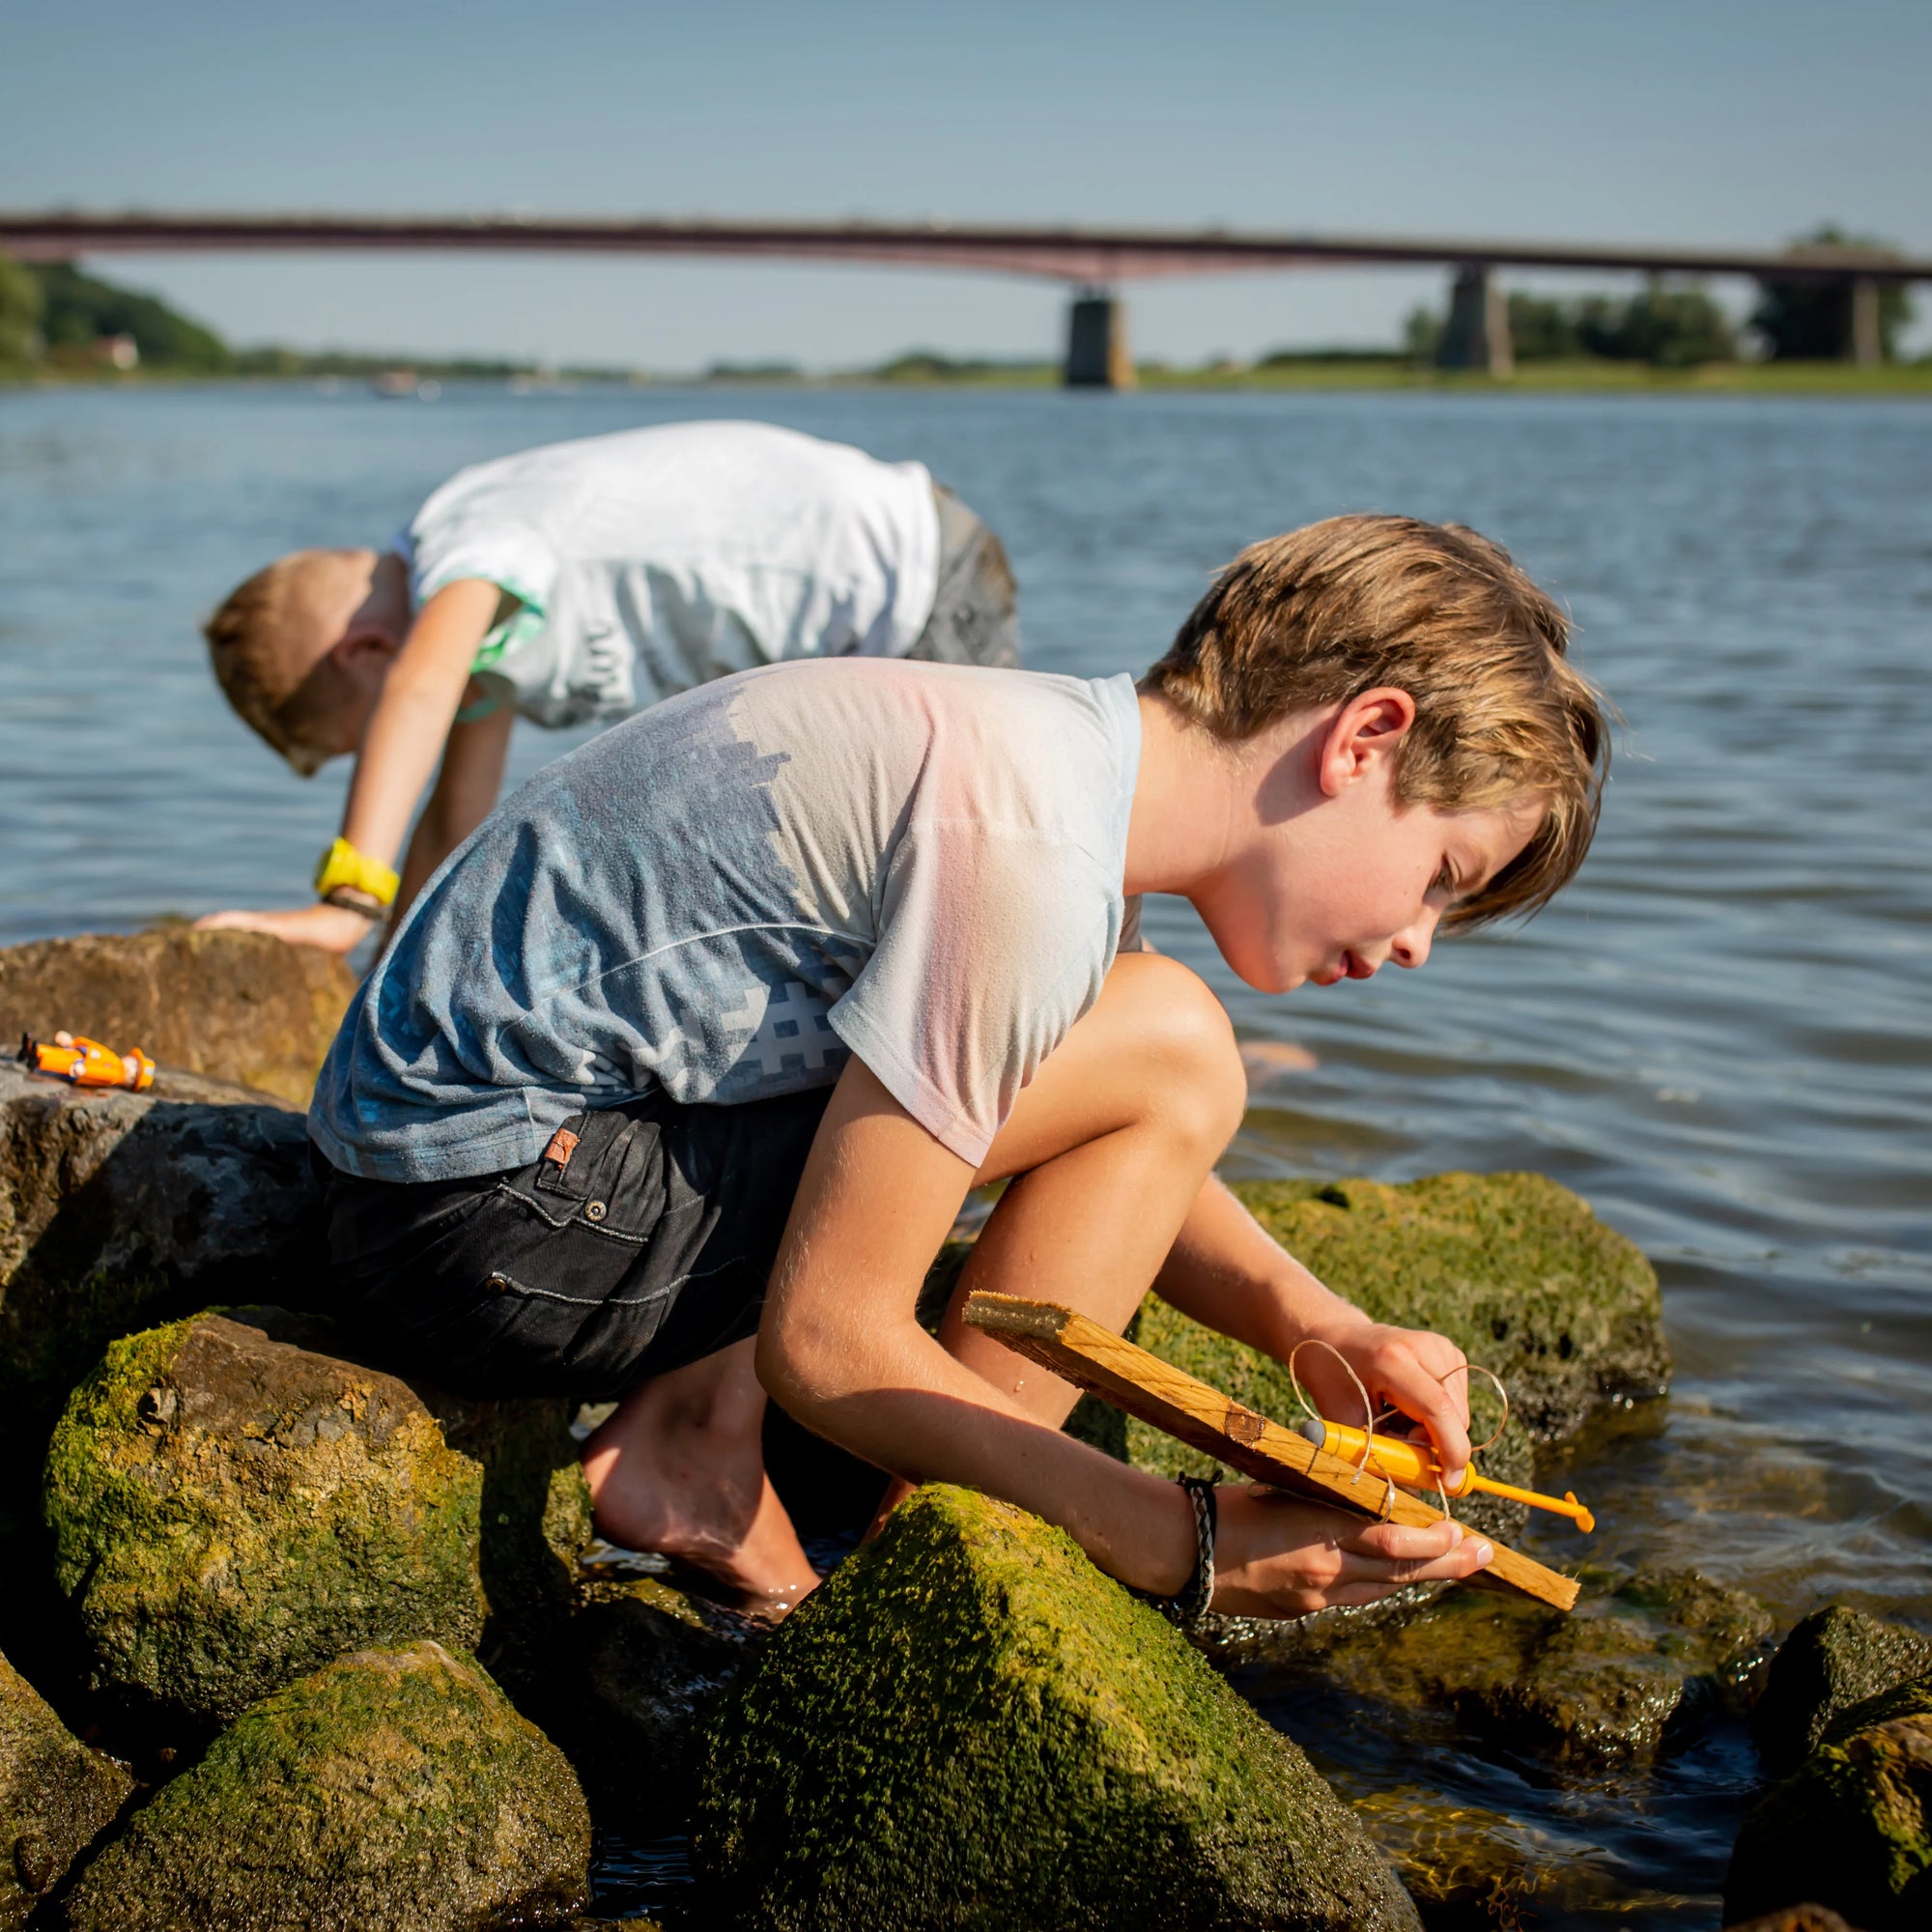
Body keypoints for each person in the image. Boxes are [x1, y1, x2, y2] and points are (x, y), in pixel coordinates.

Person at [307, 514, 1608, 1622]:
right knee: (1177, 1047)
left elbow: (1052, 1100)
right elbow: (828, 1338)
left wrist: (1313, 1321)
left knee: (1157, 1047)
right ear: (1365, 739)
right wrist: (1183, 1539)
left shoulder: (1053, 766)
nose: (1419, 943)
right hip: (491, 1219)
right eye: (1443, 878)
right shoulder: (1029, 857)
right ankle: (908, 1584)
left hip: (444, 1189)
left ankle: (698, 1442)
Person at [194, 419, 1018, 953]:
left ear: (364, 651)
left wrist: (349, 899)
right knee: (876, 902)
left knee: (985, 883)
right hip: (848, 650)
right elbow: (453, 815)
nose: (391, 754)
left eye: (365, 741)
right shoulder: (481, 639)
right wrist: (391, 976)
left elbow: (421, 688)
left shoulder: (464, 540)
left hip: (911, 584)